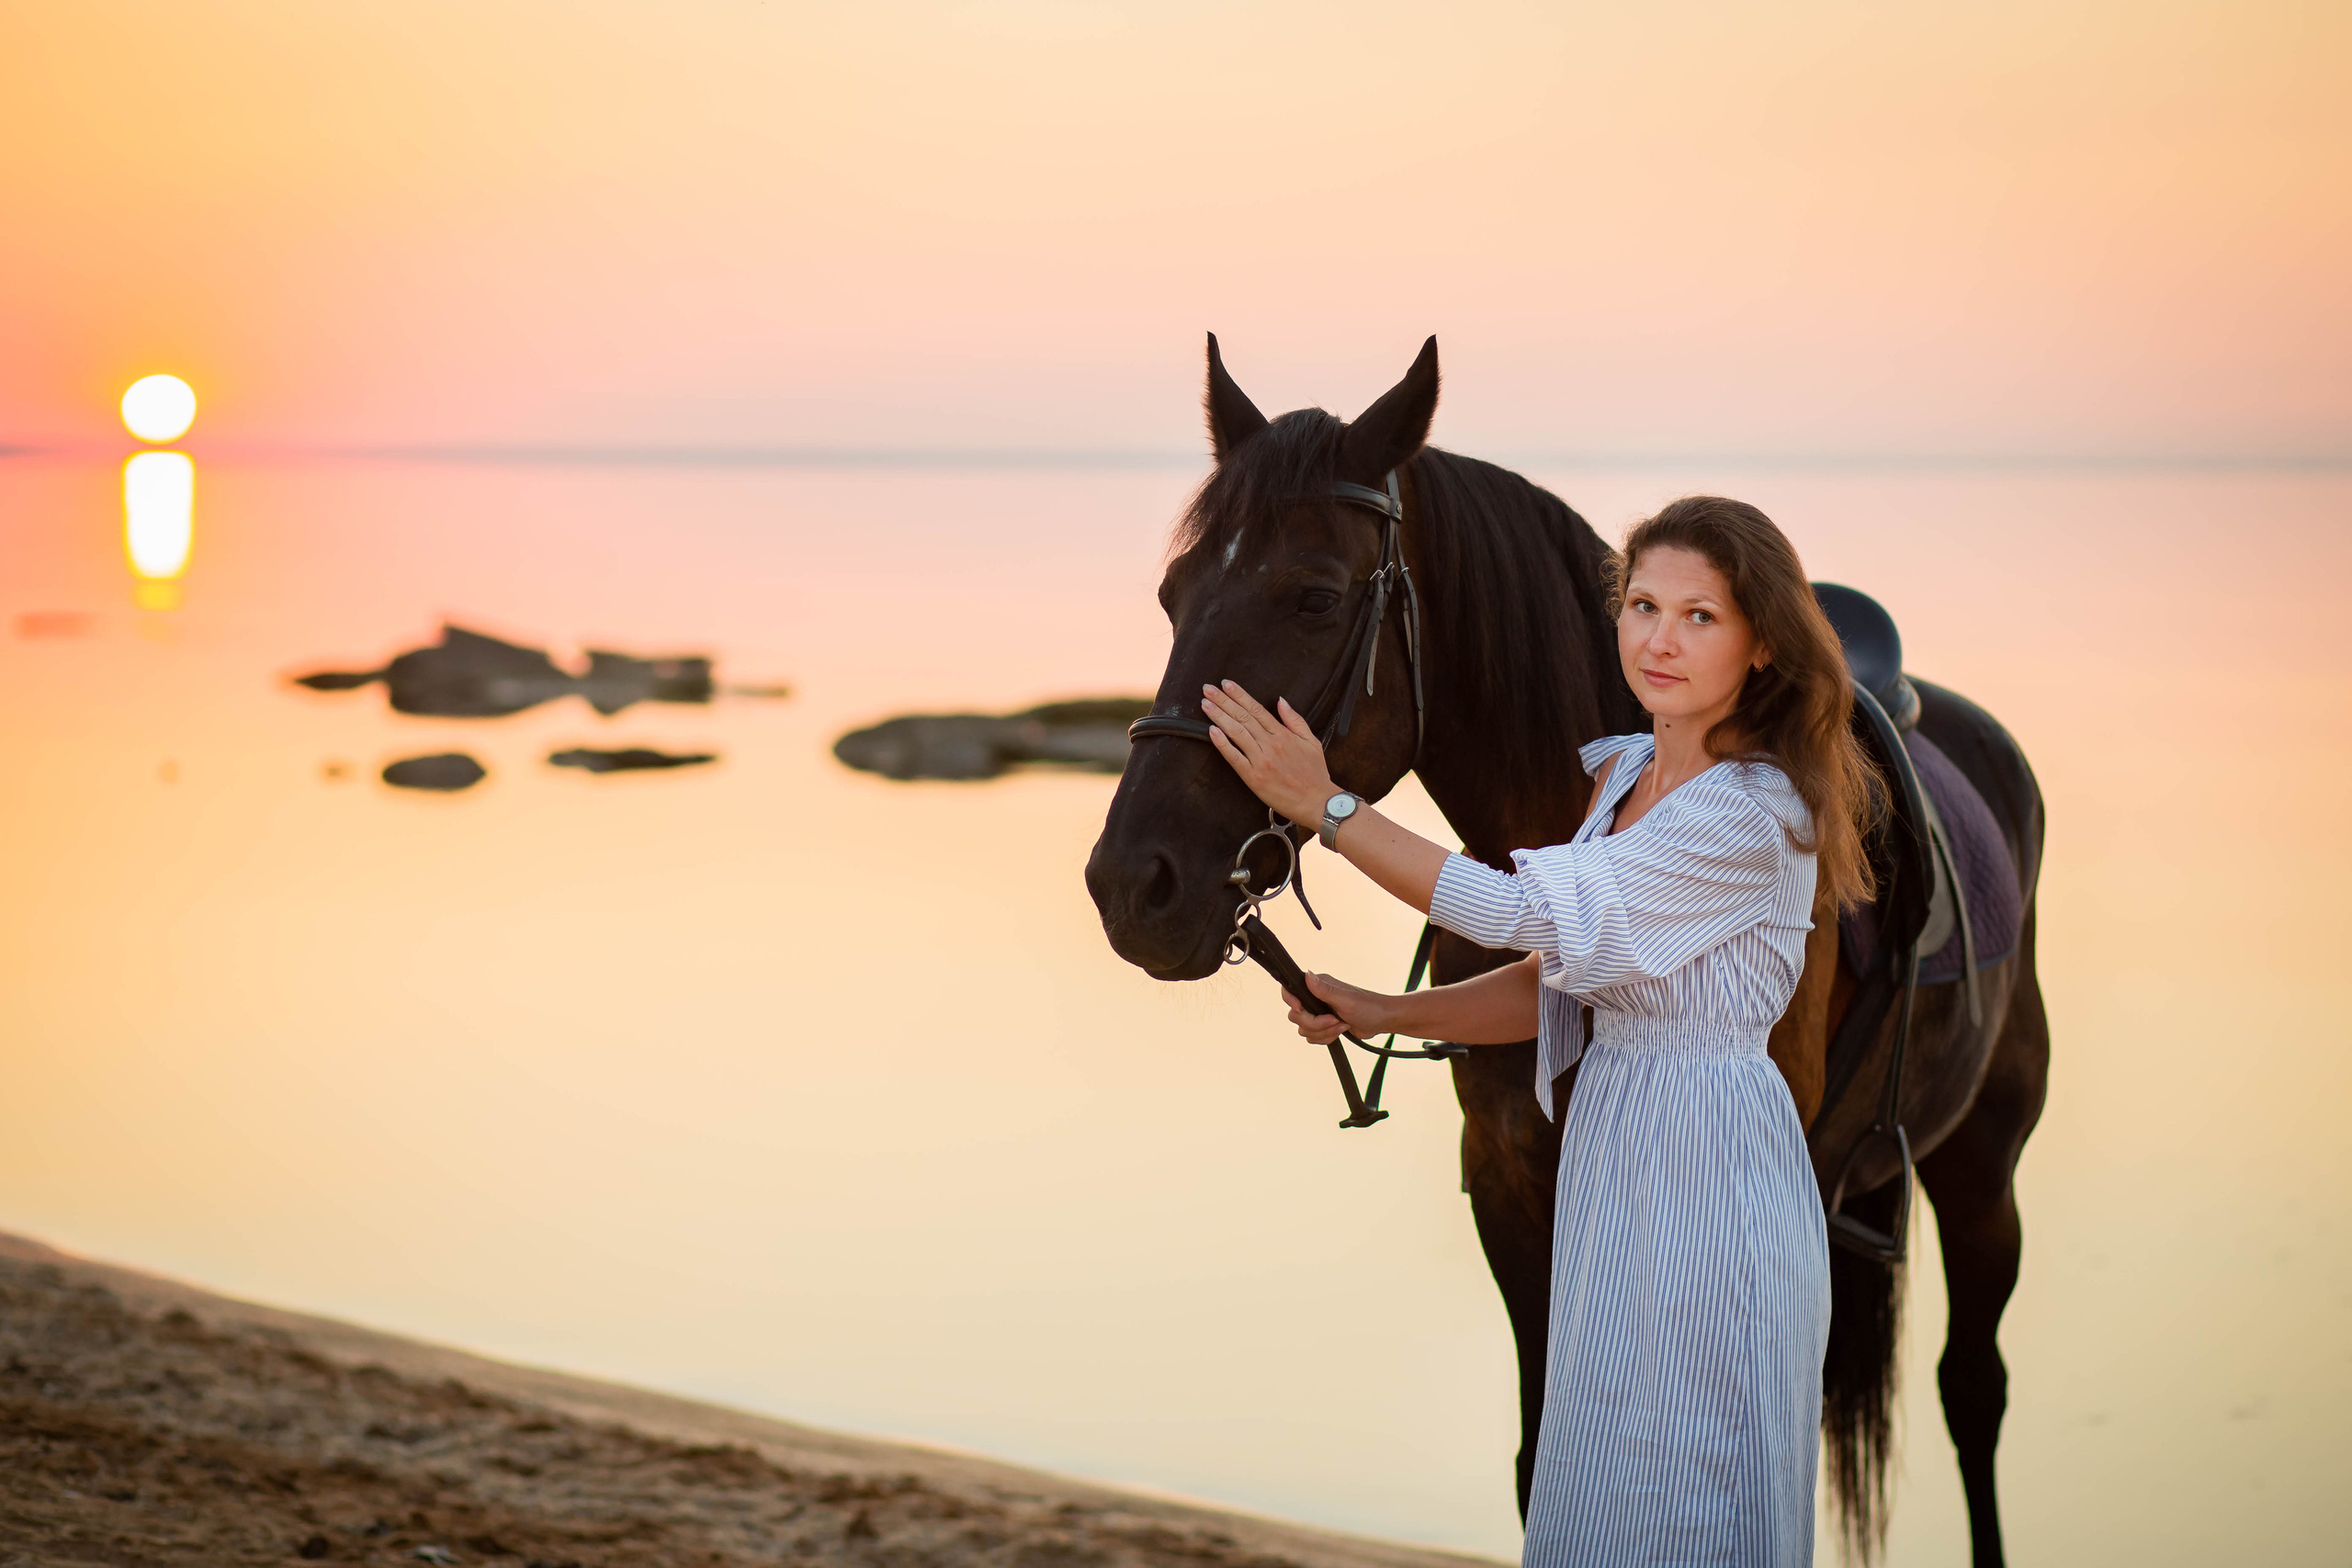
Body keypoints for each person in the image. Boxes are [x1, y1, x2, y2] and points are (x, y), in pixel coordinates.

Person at [1198, 495, 1877, 1567]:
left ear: (1761, 646)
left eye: (1701, 616)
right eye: (1643, 604)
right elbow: (1561, 977)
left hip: (1706, 1164)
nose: (1660, 639)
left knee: (1692, 1488)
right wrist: (1384, 1010)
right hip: (1621, 1148)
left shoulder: (1751, 810)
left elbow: (1523, 912)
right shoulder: (1625, 778)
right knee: (1601, 1477)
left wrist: (1325, 810)